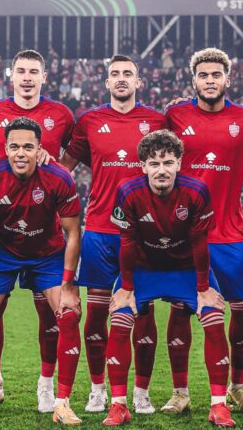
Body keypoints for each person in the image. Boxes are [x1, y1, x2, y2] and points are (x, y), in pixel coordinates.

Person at [0, 49, 75, 410]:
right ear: (11, 76)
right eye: (21, 71)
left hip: (45, 231)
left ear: (44, 77)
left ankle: (46, 385)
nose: (27, 77)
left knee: (49, 312)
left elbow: (74, 153)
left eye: (33, 72)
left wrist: (57, 170)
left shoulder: (61, 114)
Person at [102, 129, 234, 427]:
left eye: (168, 163)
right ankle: (119, 405)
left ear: (179, 164)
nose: (161, 170)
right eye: (154, 163)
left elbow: (200, 241)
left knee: (214, 318)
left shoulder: (196, 190)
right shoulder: (128, 191)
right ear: (143, 166)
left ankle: (219, 405)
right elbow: (127, 241)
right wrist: (126, 287)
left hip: (186, 269)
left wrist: (203, 288)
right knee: (120, 319)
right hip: (143, 268)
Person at [163, 47, 243, 414]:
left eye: (216, 75)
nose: (210, 81)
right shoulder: (175, 116)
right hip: (184, 233)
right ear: (193, 80)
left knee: (240, 313)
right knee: (181, 310)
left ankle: (237, 387)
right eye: (203, 75)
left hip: (230, 234)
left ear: (228, 79)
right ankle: (180, 392)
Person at [60, 54, 168, 414]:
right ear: (106, 82)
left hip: (145, 232)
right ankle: (97, 389)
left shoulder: (157, 121)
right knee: (96, 315)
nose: (121, 79)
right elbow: (64, 169)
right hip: (100, 231)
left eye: (128, 74)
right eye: (115, 74)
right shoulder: (89, 121)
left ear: (139, 82)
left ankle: (142, 391)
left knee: (144, 313)